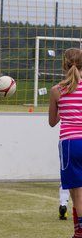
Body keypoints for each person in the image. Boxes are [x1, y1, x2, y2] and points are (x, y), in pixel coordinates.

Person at [49, 48, 82, 237]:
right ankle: (78, 233)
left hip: (70, 144)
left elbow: (52, 122)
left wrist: (65, 108)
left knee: (76, 195)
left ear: (64, 64)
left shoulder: (57, 90)